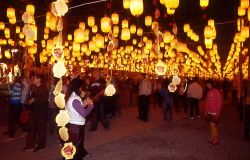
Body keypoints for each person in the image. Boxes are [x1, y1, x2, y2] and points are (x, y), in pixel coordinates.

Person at [65, 78, 94, 159]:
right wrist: (91, 105)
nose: (82, 90)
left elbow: (76, 109)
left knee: (72, 146)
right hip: (77, 126)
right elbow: (84, 113)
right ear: (77, 87)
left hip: (73, 124)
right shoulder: (75, 99)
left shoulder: (71, 96)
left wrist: (83, 105)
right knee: (76, 148)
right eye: (81, 87)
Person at [23, 74, 49, 152]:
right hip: (33, 112)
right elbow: (30, 98)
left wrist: (35, 99)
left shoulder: (43, 89)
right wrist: (29, 101)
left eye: (35, 78)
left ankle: (41, 146)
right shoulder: (34, 87)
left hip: (40, 113)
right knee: (31, 129)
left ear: (39, 80)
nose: (33, 79)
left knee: (41, 130)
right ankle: (30, 145)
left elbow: (44, 100)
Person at [204, 79, 222, 145]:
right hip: (209, 112)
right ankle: (212, 139)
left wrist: (218, 110)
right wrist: (206, 111)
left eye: (209, 84)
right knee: (211, 126)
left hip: (215, 112)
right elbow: (207, 103)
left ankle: (216, 140)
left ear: (212, 84)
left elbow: (219, 102)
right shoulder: (208, 92)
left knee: (213, 126)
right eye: (207, 84)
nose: (207, 85)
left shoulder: (216, 91)